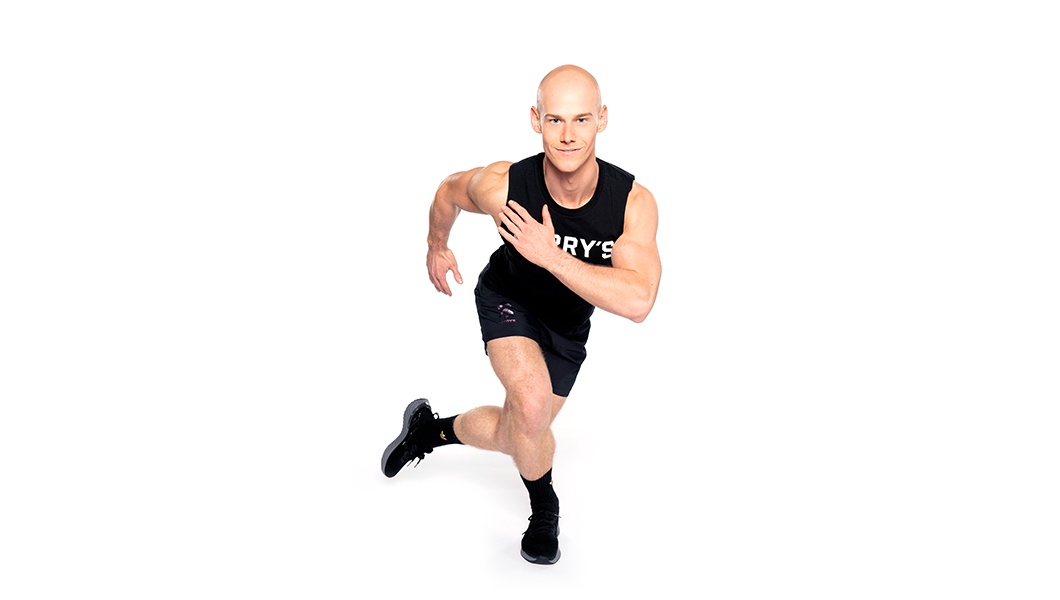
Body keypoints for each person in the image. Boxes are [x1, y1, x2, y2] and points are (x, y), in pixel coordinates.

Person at [380, 64, 662, 565]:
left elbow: (639, 301)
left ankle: (430, 430)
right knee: (531, 411)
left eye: (581, 119)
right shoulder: (506, 184)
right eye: (555, 120)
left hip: (567, 327)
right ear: (536, 120)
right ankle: (544, 508)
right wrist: (437, 245)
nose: (568, 135)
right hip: (508, 298)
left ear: (602, 118)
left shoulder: (630, 204)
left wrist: (549, 254)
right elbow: (448, 190)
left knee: (520, 432)